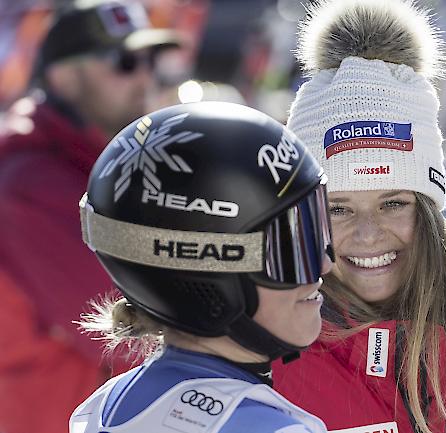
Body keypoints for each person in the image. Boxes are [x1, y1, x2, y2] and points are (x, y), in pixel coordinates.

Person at [272, 1, 446, 433]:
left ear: (431, 212)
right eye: (338, 209)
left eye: (393, 203)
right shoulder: (266, 365)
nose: (367, 234)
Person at [70, 101, 333, 433]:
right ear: (206, 279)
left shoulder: (101, 408)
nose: (325, 265)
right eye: (289, 251)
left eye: (316, 232)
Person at [0, 2, 180, 432]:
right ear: (65, 77)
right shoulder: (30, 181)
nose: (144, 78)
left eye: (150, 61)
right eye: (124, 62)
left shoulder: (101, 165)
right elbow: (134, 330)